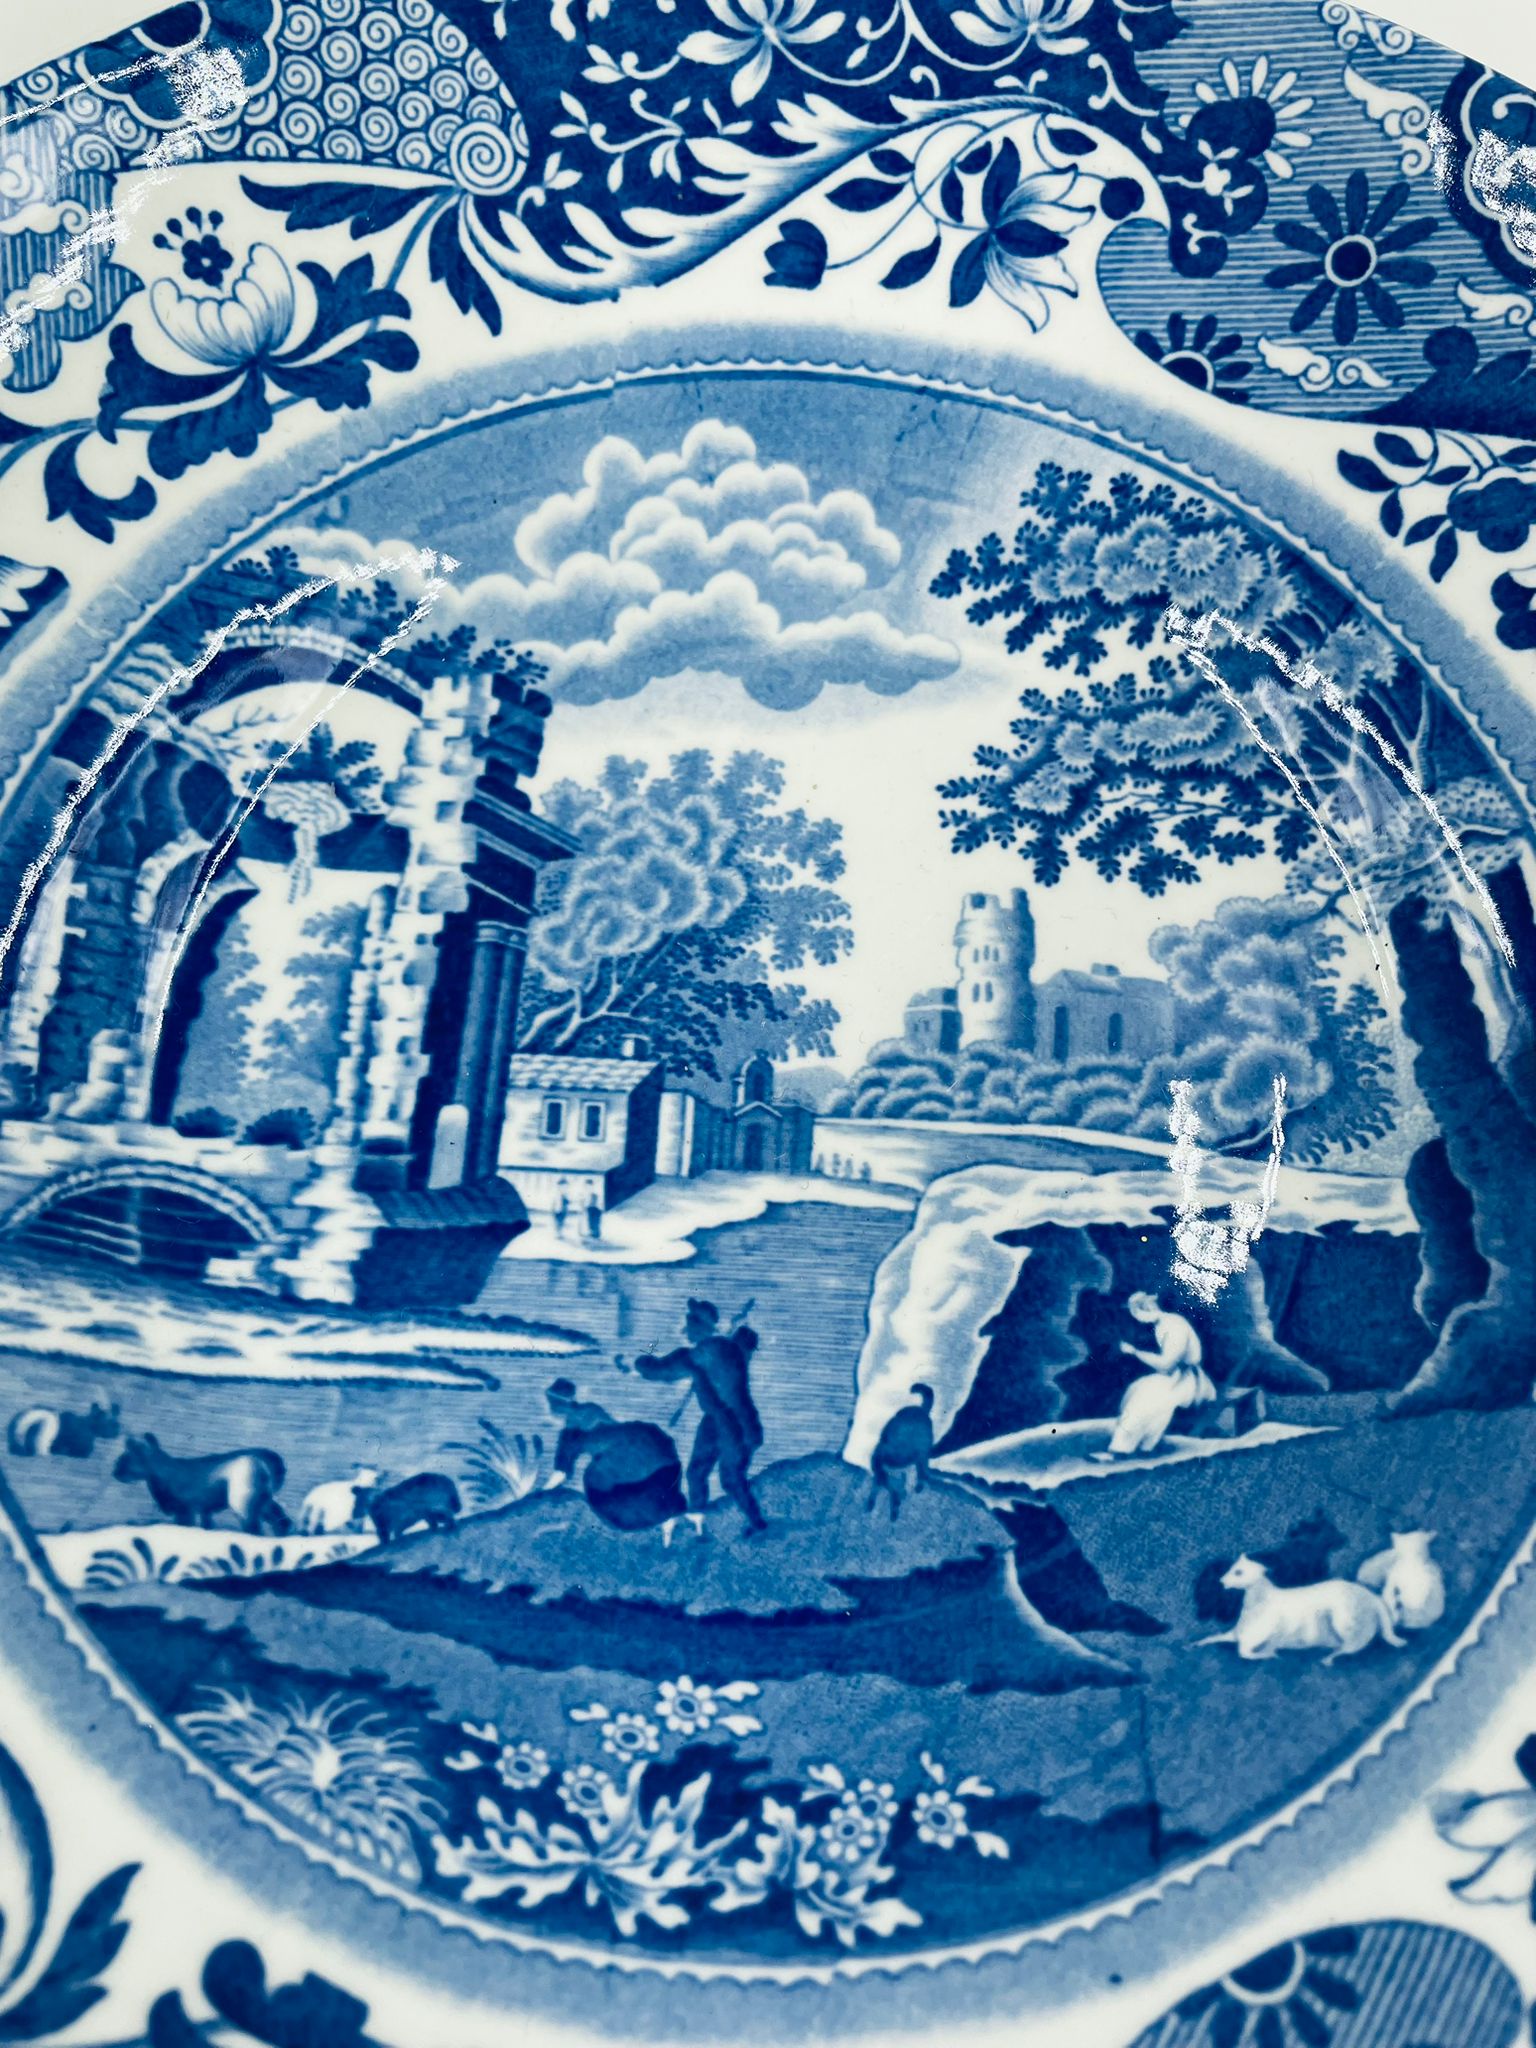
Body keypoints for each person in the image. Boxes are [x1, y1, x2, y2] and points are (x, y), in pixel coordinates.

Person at [633, 1299, 766, 1531]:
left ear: (701, 1325)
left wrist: (647, 1349)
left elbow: (656, 1369)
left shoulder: (700, 1353)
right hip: (721, 1420)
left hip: (734, 1423)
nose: (686, 1329)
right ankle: (699, 1526)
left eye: (690, 1323)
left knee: (730, 1478)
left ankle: (758, 1524)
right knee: (697, 1473)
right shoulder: (725, 1347)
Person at [544, 1378, 690, 1539]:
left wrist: (541, 1493)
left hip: (638, 1473)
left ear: (555, 1405)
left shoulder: (570, 1434)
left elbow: (561, 1474)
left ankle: (661, 1519)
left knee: (596, 1480)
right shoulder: (592, 1409)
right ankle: (672, 1516)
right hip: (659, 1452)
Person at [1099, 1290, 1216, 1458]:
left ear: (1147, 1309)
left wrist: (1134, 1352)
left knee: (1147, 1397)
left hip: (1191, 1382)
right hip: (1178, 1377)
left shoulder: (1173, 1326)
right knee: (1139, 1389)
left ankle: (1120, 1449)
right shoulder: (1163, 1324)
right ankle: (1145, 1446)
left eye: (1136, 1313)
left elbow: (1166, 1364)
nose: (1137, 1318)